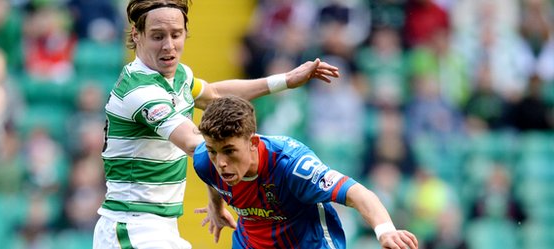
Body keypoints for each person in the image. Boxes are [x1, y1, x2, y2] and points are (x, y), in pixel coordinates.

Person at [93, 0, 341, 248]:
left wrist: (285, 80)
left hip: (160, 226)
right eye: (158, 36)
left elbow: (213, 94)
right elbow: (194, 145)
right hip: (131, 226)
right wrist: (261, 158)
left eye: (176, 35)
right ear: (137, 35)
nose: (169, 46)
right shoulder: (140, 91)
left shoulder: (178, 75)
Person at [193, 95, 419, 249]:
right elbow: (210, 176)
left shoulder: (292, 165)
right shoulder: (205, 160)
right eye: (213, 151)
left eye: (230, 151)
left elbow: (357, 193)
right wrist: (216, 205)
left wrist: (385, 231)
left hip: (309, 242)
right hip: (252, 242)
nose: (220, 163)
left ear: (253, 142)